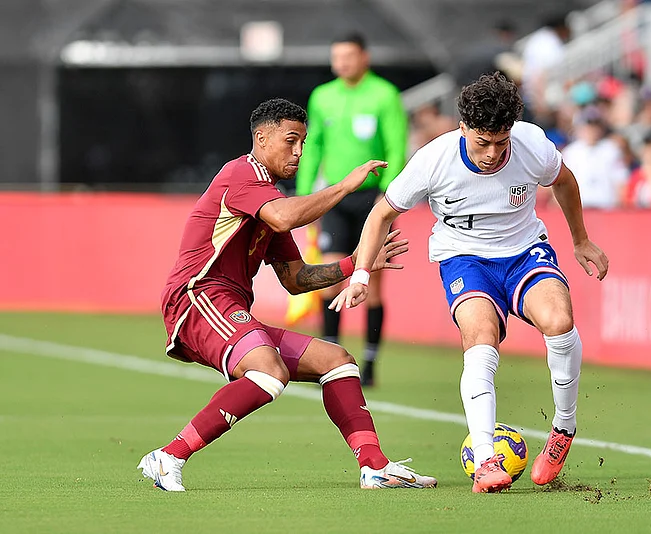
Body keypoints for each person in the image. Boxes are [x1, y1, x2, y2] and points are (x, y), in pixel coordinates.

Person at [137, 98, 436, 492]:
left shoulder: (270, 198)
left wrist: (357, 262)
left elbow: (297, 280)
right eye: (290, 141)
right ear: (261, 138)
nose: (298, 152)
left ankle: (374, 465)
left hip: (228, 305)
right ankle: (168, 456)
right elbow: (285, 217)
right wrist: (345, 185)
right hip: (196, 297)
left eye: (303, 143)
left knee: (337, 361)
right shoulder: (240, 175)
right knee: (268, 371)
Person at [330, 73, 609, 493]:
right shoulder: (433, 159)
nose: (493, 153)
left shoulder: (531, 143)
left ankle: (563, 430)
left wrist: (581, 240)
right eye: (483, 142)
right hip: (465, 258)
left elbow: (564, 181)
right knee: (480, 338)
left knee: (559, 320)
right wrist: (362, 274)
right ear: (463, 127)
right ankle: (485, 461)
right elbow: (381, 213)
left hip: (523, 251)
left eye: (502, 142)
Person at [295, 32, 408, 387]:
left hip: (373, 200)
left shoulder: (384, 94)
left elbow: (396, 145)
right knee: (330, 278)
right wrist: (303, 199)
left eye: (348, 55)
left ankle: (371, 362)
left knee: (371, 282)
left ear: (364, 57)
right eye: (336, 56)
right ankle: (330, 359)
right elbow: (312, 147)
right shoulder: (322, 96)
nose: (341, 62)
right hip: (335, 199)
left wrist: (390, 196)